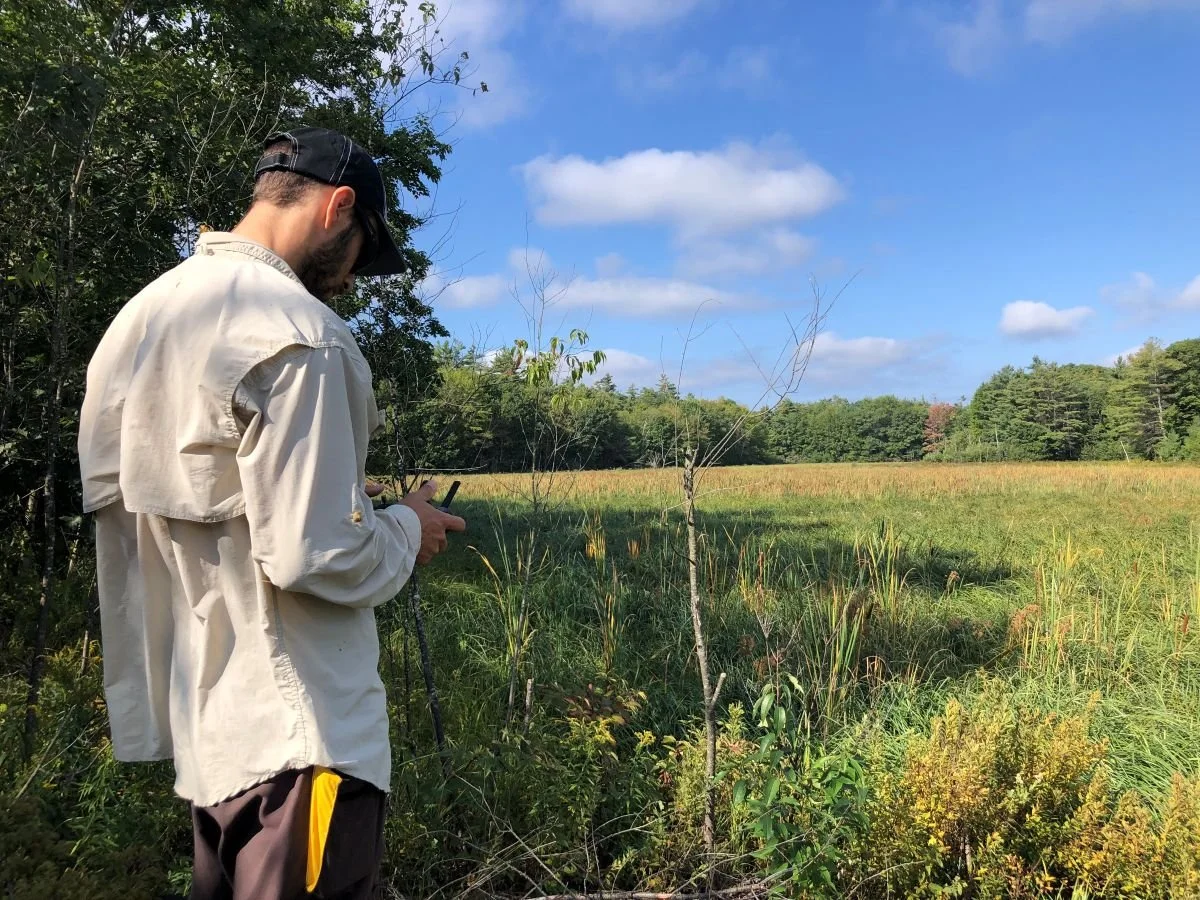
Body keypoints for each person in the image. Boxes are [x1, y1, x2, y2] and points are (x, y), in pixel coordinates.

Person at [77, 126, 466, 900]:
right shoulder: (302, 336)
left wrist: (354, 506)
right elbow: (315, 554)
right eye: (361, 253)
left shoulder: (141, 323)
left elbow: (217, 513)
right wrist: (405, 527)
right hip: (303, 741)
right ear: (338, 206)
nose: (350, 281)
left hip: (214, 742)